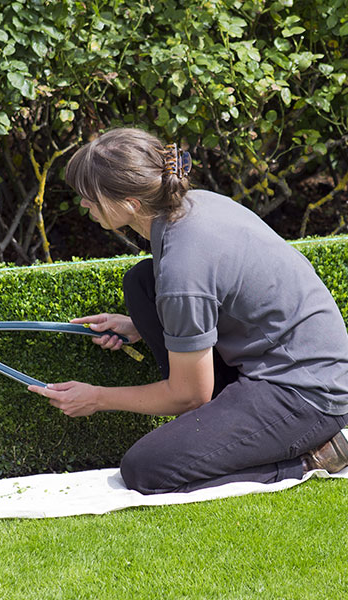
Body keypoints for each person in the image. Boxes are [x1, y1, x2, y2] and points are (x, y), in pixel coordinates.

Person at [27, 127, 348, 495]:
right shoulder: (193, 206)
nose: (83, 205)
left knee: (146, 470)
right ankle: (215, 433)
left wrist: (96, 397)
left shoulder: (184, 266)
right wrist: (138, 325)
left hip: (306, 394)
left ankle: (315, 457)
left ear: (130, 203)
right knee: (141, 282)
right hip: (290, 361)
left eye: (90, 197)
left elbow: (189, 395)